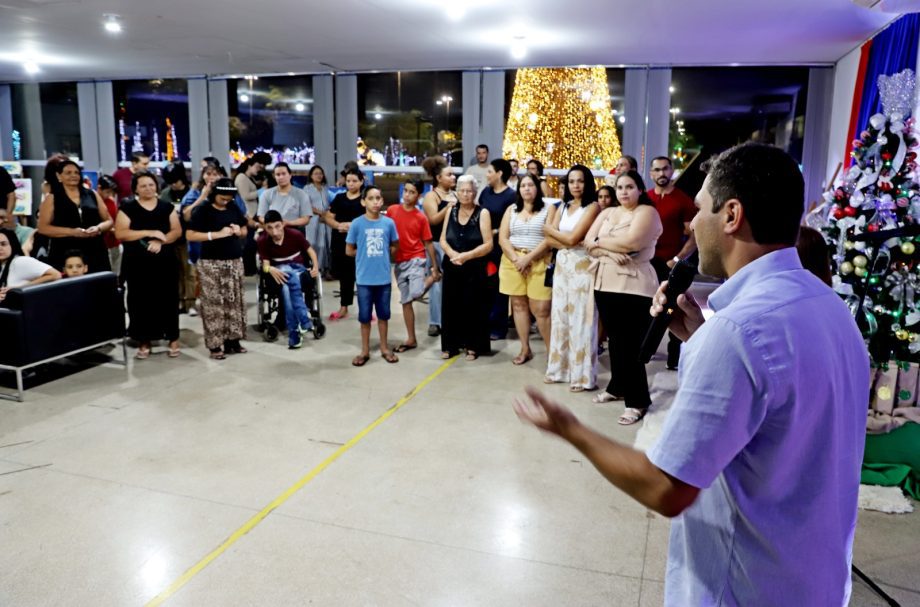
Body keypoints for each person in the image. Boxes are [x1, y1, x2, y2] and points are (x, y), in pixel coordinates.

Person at [514, 143, 869, 606]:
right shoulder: (831, 308)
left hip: (745, 587)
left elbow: (667, 488)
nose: (693, 224)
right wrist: (700, 335)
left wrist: (571, 429)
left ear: (731, 215)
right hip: (814, 579)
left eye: (701, 209)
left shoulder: (737, 333)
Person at [585, 170, 662, 424]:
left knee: (631, 345)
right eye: (620, 187)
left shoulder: (647, 212)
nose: (624, 192)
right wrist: (608, 251)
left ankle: (637, 401)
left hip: (634, 285)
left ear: (640, 189)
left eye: (629, 186)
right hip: (605, 281)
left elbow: (632, 243)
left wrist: (600, 241)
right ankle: (617, 386)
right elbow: (587, 242)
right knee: (615, 341)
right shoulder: (607, 212)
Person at [541, 164, 600, 391]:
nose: (576, 185)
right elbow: (551, 239)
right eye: (572, 181)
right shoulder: (563, 206)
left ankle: (582, 376)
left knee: (581, 320)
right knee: (560, 317)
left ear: (588, 183)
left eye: (581, 181)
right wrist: (563, 239)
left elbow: (572, 238)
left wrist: (556, 233)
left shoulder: (592, 207)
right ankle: (558, 370)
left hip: (582, 267)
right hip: (562, 266)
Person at [114, 172, 183, 359]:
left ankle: (173, 338)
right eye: (143, 186)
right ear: (135, 189)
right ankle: (143, 340)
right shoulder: (127, 208)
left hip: (165, 261)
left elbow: (176, 231)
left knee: (168, 299)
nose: (148, 188)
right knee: (139, 301)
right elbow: (121, 233)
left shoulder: (166, 207)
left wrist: (161, 240)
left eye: (151, 185)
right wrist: (149, 232)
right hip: (137, 263)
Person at [186, 178, 249, 360]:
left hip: (234, 261)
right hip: (211, 262)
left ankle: (233, 340)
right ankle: (215, 344)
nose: (226, 201)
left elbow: (244, 228)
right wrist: (215, 235)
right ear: (214, 195)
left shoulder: (233, 207)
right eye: (222, 198)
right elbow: (190, 234)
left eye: (229, 198)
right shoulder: (203, 210)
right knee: (213, 305)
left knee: (234, 303)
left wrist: (239, 231)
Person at [647, 156, 698, 370]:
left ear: (672, 171)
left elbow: (694, 235)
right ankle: (646, 350)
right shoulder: (645, 198)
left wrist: (677, 259)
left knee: (672, 308)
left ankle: (674, 358)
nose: (661, 173)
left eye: (665, 169)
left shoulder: (682, 200)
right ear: (651, 173)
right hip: (646, 263)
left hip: (670, 263)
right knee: (647, 307)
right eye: (657, 170)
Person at [498, 173, 552, 365]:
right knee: (519, 305)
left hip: (539, 261)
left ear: (537, 188)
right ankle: (525, 348)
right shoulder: (511, 209)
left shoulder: (548, 209)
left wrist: (528, 258)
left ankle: (552, 354)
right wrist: (517, 259)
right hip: (513, 262)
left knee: (542, 309)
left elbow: (549, 239)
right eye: (523, 186)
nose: (527, 189)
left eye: (531, 185)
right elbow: (503, 238)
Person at [439, 175, 493, 360]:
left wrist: (467, 256)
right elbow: (443, 239)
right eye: (461, 190)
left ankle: (473, 346)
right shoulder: (450, 210)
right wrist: (452, 254)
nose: (465, 194)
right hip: (452, 265)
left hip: (474, 267)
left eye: (469, 191)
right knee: (450, 306)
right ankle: (450, 346)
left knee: (473, 306)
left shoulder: (482, 213)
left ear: (475, 193)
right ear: (457, 192)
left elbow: (488, 244)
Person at [345, 185, 400, 366]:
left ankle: (384, 348)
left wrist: (383, 254)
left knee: (384, 315)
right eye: (371, 198)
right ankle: (365, 350)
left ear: (382, 200)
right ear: (363, 202)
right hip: (364, 280)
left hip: (383, 279)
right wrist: (363, 253)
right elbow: (349, 250)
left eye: (378, 198)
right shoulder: (357, 224)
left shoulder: (389, 223)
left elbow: (395, 245)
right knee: (365, 317)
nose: (375, 202)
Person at [386, 179, 440, 353]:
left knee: (416, 293)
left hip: (417, 258)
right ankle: (411, 338)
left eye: (412, 192)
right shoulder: (392, 210)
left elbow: (428, 242)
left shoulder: (421, 217)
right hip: (399, 261)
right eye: (406, 191)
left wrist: (434, 267)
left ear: (419, 196)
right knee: (406, 301)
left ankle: (432, 278)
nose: (407, 195)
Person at [257, 210, 319, 350]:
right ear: (265, 227)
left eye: (277, 226)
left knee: (288, 278)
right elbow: (265, 265)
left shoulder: (295, 235)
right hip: (279, 273)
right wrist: (269, 269)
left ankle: (295, 332)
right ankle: (302, 320)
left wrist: (315, 266)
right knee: (286, 282)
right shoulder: (263, 240)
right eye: (270, 228)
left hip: (299, 269)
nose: (274, 232)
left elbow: (311, 251)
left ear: (283, 224)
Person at [37, 160, 113, 273]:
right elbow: (43, 228)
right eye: (68, 173)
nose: (73, 175)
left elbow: (109, 220)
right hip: (65, 251)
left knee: (99, 281)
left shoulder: (92, 194)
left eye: (76, 172)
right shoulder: (52, 198)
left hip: (95, 249)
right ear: (59, 176)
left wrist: (98, 228)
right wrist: (72, 232)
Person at [479, 158, 518, 341]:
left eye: (490, 171)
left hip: (500, 247)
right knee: (485, 286)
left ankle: (498, 326)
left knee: (499, 287)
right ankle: (483, 323)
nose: (487, 175)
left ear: (499, 173)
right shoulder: (485, 193)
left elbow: (510, 223)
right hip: (484, 246)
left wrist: (494, 232)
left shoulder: (511, 196)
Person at [421, 156, 457, 337]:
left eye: (453, 174)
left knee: (453, 283)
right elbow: (433, 219)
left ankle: (451, 319)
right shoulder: (431, 196)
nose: (453, 177)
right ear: (438, 178)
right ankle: (435, 322)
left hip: (453, 244)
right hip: (436, 244)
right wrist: (448, 207)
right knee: (437, 281)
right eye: (449, 175)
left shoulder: (455, 195)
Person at [324, 167, 366, 321]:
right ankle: (344, 307)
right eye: (348, 181)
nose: (351, 184)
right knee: (344, 276)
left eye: (354, 181)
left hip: (360, 243)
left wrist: (353, 226)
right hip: (340, 241)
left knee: (362, 276)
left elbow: (372, 217)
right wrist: (338, 225)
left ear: (361, 181)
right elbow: (328, 217)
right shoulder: (339, 198)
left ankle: (366, 308)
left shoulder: (365, 199)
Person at [0, 228, 60, 302]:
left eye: (3, 244)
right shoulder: (3, 266)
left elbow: (55, 275)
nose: (0, 248)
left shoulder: (20, 261)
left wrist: (18, 289)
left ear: (12, 244)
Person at [256, 162, 313, 231]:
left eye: (284, 174)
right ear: (274, 176)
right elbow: (261, 216)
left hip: (296, 231)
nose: (281, 177)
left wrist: (288, 223)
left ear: (290, 175)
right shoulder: (266, 194)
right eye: (278, 175)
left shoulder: (302, 194)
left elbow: (306, 219)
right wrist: (274, 224)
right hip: (273, 232)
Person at [303, 164, 333, 276]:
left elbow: (328, 203)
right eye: (316, 174)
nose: (319, 176)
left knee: (326, 244)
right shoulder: (307, 189)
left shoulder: (326, 188)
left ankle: (326, 269)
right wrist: (320, 213)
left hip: (326, 220)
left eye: (320, 173)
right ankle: (316, 268)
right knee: (315, 244)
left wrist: (327, 213)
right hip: (313, 220)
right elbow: (306, 205)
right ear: (311, 176)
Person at [94, 175, 122, 277]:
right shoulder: (92, 201)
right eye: (107, 192)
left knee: (116, 273)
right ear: (99, 188)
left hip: (115, 243)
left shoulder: (110, 202)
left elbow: (115, 220)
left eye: (111, 192)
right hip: (102, 244)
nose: (109, 195)